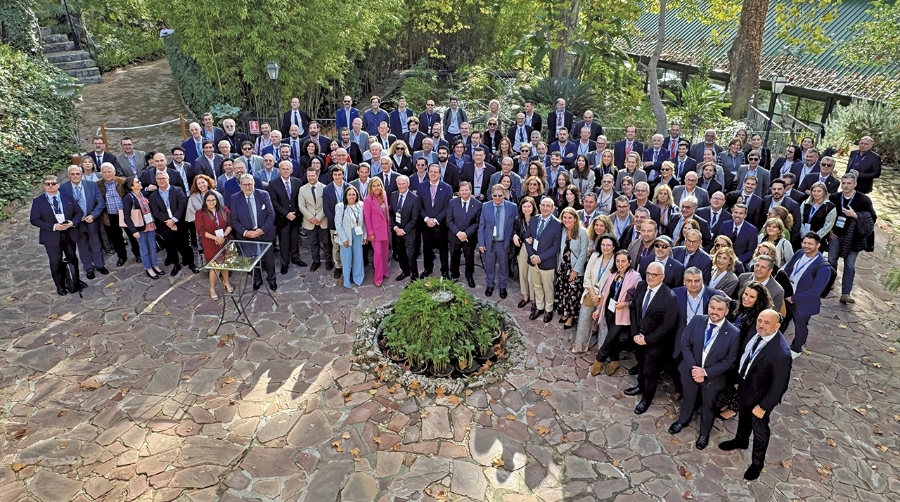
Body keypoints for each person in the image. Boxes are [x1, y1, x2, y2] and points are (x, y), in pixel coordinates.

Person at [718, 309, 792, 481]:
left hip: (760, 399)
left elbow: (779, 385)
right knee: (743, 418)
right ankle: (740, 441)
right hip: (744, 387)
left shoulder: (781, 353)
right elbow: (746, 356)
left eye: (767, 323)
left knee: (760, 431)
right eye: (760, 320)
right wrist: (738, 379)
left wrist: (764, 406)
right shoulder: (754, 332)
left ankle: (757, 464)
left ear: (777, 326)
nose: (761, 325)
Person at [669, 294, 740, 450]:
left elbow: (730, 360)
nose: (714, 312)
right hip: (691, 372)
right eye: (712, 307)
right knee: (688, 399)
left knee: (709, 406)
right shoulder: (697, 320)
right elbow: (685, 343)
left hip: (713, 378)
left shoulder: (734, 333)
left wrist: (705, 372)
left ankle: (704, 434)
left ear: (726, 312)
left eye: (719, 309)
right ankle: (682, 420)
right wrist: (695, 369)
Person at [625, 261, 679, 414]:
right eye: (648, 273)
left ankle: (646, 399)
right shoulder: (642, 286)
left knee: (651, 371)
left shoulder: (670, 297)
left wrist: (647, 339)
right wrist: (635, 333)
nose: (650, 277)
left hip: (655, 343)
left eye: (654, 274)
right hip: (638, 338)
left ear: (662, 277)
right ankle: (640, 386)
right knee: (641, 365)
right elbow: (634, 309)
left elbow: (667, 326)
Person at [31, 174, 86, 295]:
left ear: (58, 185)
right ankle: (60, 285)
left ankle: (75, 280)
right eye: (48, 184)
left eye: (53, 183)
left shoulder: (68, 197)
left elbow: (79, 212)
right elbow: (34, 219)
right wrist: (54, 226)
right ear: (44, 186)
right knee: (55, 261)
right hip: (51, 236)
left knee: (72, 258)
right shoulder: (38, 201)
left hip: (69, 234)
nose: (51, 186)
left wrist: (72, 222)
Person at [828, 173, 876, 304]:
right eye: (843, 183)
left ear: (855, 184)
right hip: (835, 234)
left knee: (849, 265)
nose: (845, 186)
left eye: (849, 183)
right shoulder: (834, 197)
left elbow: (872, 219)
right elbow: (827, 213)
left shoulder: (863, 199)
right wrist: (830, 229)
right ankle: (830, 282)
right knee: (832, 260)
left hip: (854, 238)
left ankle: (845, 293)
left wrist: (855, 216)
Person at [781, 232, 831, 358]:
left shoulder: (823, 267)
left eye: (810, 244)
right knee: (781, 321)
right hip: (787, 295)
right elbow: (788, 269)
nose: (806, 246)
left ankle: (796, 349)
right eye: (804, 242)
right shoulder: (799, 253)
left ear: (818, 245)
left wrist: (794, 298)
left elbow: (815, 291)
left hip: (803, 303)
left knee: (800, 327)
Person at [592, 249, 641, 376]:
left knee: (609, 338)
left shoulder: (635, 277)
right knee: (612, 338)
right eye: (618, 261)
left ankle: (599, 360)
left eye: (623, 261)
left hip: (623, 313)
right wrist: (598, 309)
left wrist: (625, 304)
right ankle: (614, 361)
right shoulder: (612, 274)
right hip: (609, 310)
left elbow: (638, 299)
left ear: (629, 262)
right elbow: (604, 294)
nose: (620, 264)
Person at [60, 164, 107, 280]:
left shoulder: (91, 185)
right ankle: (88, 268)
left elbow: (100, 202)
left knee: (96, 244)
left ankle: (100, 265)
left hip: (91, 220)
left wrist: (93, 215)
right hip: (75, 224)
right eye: (72, 174)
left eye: (77, 174)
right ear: (68, 175)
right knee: (82, 246)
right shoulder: (63, 189)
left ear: (81, 174)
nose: (75, 176)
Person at [231, 174, 277, 290]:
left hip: (264, 233)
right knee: (251, 259)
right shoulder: (235, 198)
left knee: (269, 260)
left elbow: (271, 214)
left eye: (250, 184)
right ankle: (257, 279)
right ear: (240, 186)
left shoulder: (263, 194)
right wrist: (245, 232)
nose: (247, 187)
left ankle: (272, 279)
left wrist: (261, 230)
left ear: (254, 184)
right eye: (245, 184)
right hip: (247, 236)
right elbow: (234, 220)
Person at [148, 168, 198, 276]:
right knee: (170, 246)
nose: (162, 180)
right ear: (156, 181)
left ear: (168, 179)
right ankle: (176, 264)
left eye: (164, 178)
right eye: (159, 179)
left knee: (185, 244)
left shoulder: (178, 190)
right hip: (165, 225)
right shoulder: (153, 196)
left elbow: (182, 205)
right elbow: (156, 212)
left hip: (180, 223)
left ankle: (191, 263)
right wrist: (169, 222)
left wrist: (174, 220)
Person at [574, 234, 617, 353]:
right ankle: (579, 346)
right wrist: (593, 294)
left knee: (603, 326)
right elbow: (586, 277)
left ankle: (601, 352)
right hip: (590, 293)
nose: (605, 247)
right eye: (603, 244)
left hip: (605, 298)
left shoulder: (616, 261)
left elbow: (612, 283)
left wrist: (600, 299)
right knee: (584, 321)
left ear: (613, 247)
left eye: (608, 245)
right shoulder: (595, 256)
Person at [525, 197, 563, 322]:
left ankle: (548, 309)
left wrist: (540, 258)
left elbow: (556, 247)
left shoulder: (557, 224)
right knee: (536, 286)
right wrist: (532, 256)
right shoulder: (534, 219)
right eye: (543, 205)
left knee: (548, 288)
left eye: (548, 206)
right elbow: (528, 238)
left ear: (553, 208)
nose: (545, 208)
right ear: (539, 206)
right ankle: (539, 307)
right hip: (533, 260)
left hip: (547, 262)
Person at [478, 184, 517, 298]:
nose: (497, 197)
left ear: (504, 194)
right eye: (495, 195)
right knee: (489, 265)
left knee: (504, 266)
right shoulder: (485, 206)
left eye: (500, 195)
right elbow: (482, 225)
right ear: (491, 195)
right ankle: (490, 285)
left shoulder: (512, 207)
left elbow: (515, 225)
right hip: (490, 242)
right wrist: (481, 243)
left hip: (503, 243)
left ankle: (502, 287)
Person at [553, 207, 590, 329]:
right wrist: (558, 265)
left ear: (575, 219)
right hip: (563, 267)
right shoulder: (562, 230)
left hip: (574, 268)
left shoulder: (582, 232)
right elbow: (560, 250)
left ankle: (570, 317)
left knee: (572, 294)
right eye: (565, 217)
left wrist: (576, 271)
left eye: (570, 217)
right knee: (563, 291)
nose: (567, 220)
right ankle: (564, 313)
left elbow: (583, 254)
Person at [195, 192, 234, 299]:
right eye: (209, 200)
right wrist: (216, 238)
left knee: (225, 263)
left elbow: (230, 224)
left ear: (217, 200)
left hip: (224, 240)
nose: (211, 202)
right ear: (205, 202)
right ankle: (212, 288)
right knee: (215, 266)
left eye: (213, 200)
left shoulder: (224, 209)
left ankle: (226, 282)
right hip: (210, 242)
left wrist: (223, 236)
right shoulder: (200, 213)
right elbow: (201, 231)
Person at [419, 164, 453, 278]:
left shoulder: (447, 188)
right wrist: (427, 219)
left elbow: (447, 207)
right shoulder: (422, 186)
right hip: (426, 224)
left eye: (435, 172)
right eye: (431, 172)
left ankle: (444, 271)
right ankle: (427, 269)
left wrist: (436, 220)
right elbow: (419, 206)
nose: (433, 174)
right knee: (427, 249)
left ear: (440, 174)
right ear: (428, 173)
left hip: (441, 224)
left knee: (443, 249)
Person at [447, 181, 482, 287]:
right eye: (462, 190)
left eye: (466, 190)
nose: (464, 192)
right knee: (454, 256)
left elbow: (477, 222)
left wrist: (465, 234)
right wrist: (458, 233)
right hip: (454, 235)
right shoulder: (452, 202)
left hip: (469, 237)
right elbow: (449, 220)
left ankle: (469, 276)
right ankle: (454, 274)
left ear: (470, 191)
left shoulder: (478, 204)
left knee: (469, 257)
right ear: (459, 191)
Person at [390, 176, 420, 281]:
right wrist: (395, 227)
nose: (401, 186)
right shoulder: (393, 195)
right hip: (397, 230)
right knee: (401, 253)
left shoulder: (415, 198)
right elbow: (392, 214)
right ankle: (405, 271)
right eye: (399, 184)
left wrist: (404, 230)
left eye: (403, 184)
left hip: (409, 231)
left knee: (411, 255)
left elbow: (415, 218)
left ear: (408, 184)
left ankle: (414, 276)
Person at [363, 177, 391, 286]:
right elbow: (367, 218)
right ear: (370, 187)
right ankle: (378, 278)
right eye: (374, 186)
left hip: (385, 230)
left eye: (378, 185)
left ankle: (384, 271)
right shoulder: (368, 200)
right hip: (375, 232)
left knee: (385, 252)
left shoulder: (384, 196)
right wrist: (370, 233)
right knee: (378, 254)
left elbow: (386, 214)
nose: (376, 188)